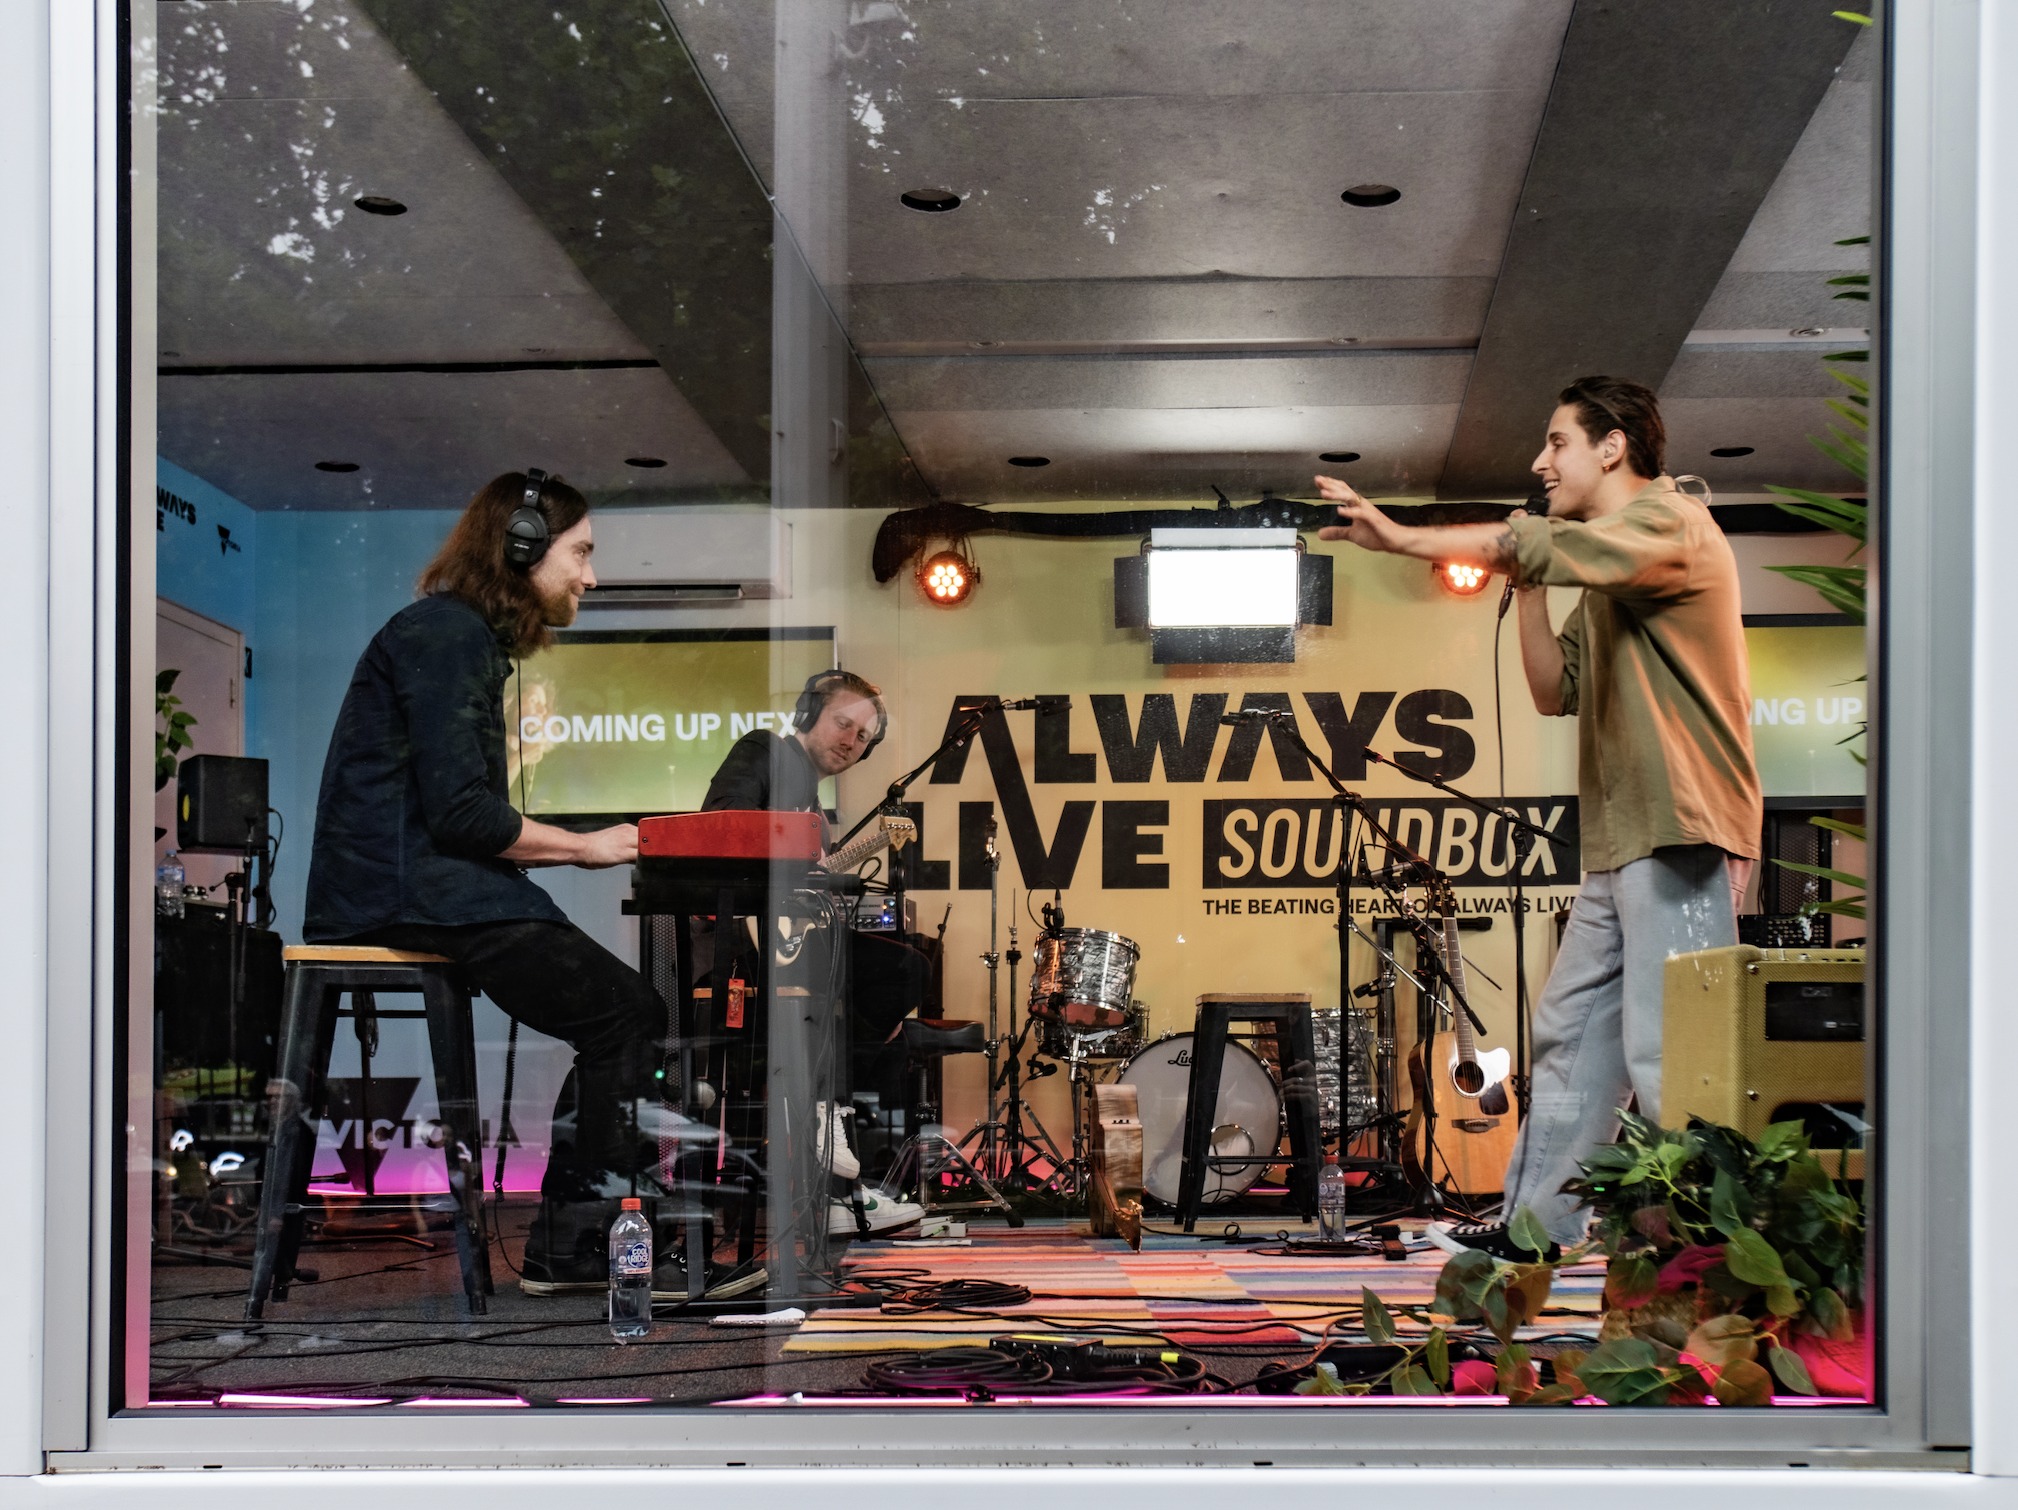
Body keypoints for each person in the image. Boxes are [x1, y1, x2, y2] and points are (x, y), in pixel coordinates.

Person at [1316, 376, 1762, 1252]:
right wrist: (1523, 585)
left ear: (1612, 446)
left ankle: (1708, 1254)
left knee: (1669, 1056)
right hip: (1617, 839)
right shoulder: (1608, 573)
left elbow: (1538, 538)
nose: (1539, 460)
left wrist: (1405, 537)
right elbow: (1554, 689)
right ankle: (1536, 1228)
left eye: (1556, 441)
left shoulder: (1672, 526)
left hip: (1679, 826)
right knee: (1565, 1038)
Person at [302, 469, 760, 1298]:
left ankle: (569, 1243)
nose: (591, 575)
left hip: (418, 884)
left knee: (621, 1012)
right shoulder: (449, 636)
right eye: (580, 552)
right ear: (520, 549)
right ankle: (598, 1246)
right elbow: (465, 818)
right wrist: (590, 848)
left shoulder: (454, 636)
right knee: (629, 1010)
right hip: (410, 891)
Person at [700, 671, 927, 1236]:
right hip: (750, 950)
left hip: (792, 944)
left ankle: (834, 1172)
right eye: (843, 723)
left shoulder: (811, 796)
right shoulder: (764, 751)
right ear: (808, 715)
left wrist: (832, 860)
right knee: (899, 971)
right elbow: (724, 823)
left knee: (900, 991)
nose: (851, 741)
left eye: (862, 737)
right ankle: (825, 1124)